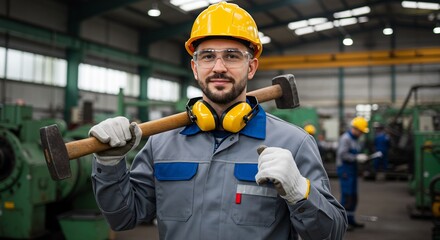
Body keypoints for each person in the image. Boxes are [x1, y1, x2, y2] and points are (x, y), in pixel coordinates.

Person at [88, 2, 347, 239]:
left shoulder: (295, 143)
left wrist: (301, 193)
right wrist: (110, 164)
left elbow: (331, 233)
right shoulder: (161, 144)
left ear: (252, 66)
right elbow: (123, 218)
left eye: (232, 56)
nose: (219, 67)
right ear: (195, 67)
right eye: (208, 56)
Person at [336, 116, 369, 231]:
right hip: (345, 170)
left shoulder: (354, 139)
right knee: (347, 196)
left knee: (353, 196)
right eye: (361, 132)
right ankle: (342, 222)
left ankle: (351, 220)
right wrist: (356, 158)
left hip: (352, 170)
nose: (361, 134)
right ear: (356, 129)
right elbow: (343, 155)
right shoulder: (346, 139)